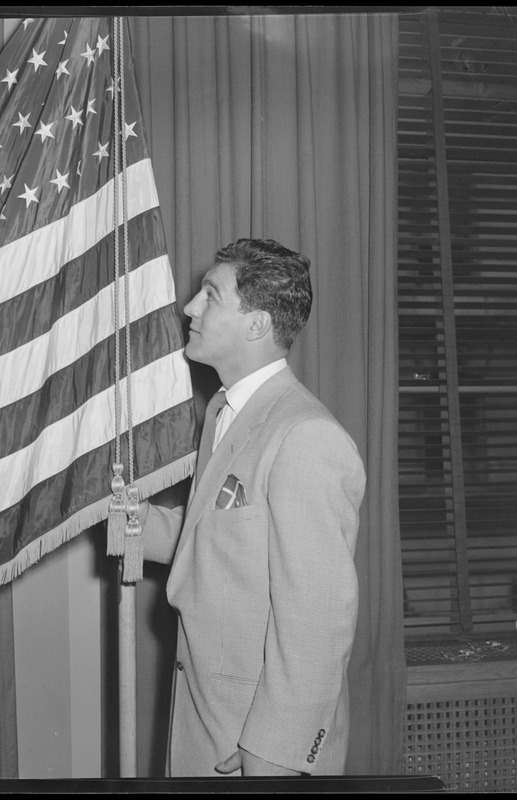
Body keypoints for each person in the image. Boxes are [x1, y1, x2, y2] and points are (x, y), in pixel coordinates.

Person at [142, 238, 366, 777]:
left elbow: (316, 622)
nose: (190, 308)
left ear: (257, 324)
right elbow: (214, 537)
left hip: (255, 749)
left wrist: (275, 758)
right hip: (208, 723)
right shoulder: (225, 409)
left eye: (210, 296)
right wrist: (122, 520)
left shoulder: (306, 436)